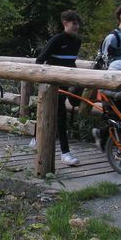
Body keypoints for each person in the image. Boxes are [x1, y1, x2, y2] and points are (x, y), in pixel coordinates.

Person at [35, 10, 83, 166]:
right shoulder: (57, 39)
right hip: (52, 85)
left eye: (78, 23)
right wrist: (43, 81)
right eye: (74, 23)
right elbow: (40, 60)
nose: (77, 26)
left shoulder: (77, 42)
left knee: (59, 116)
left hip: (66, 84)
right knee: (60, 117)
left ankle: (36, 138)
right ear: (65, 23)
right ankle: (65, 153)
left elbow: (71, 62)